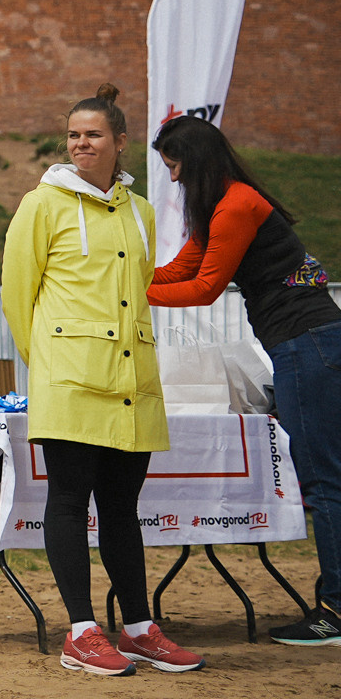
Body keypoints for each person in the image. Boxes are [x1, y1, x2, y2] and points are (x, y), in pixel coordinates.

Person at [2, 84, 198, 677]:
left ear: (118, 141)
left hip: (133, 382)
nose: (81, 143)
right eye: (73, 135)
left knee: (122, 506)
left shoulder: (140, 211)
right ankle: (81, 631)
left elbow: (136, 293)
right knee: (67, 500)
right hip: (69, 380)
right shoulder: (42, 204)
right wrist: (50, 369)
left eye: (92, 134)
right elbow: (18, 294)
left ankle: (138, 627)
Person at [147, 114, 341, 646]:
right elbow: (179, 269)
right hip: (312, 341)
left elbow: (205, 287)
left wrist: (125, 299)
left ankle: (338, 614)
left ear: (197, 160)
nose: (174, 180)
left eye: (176, 167)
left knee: (325, 482)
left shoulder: (236, 205)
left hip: (308, 343)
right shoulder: (230, 203)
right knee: (330, 479)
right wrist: (118, 273)